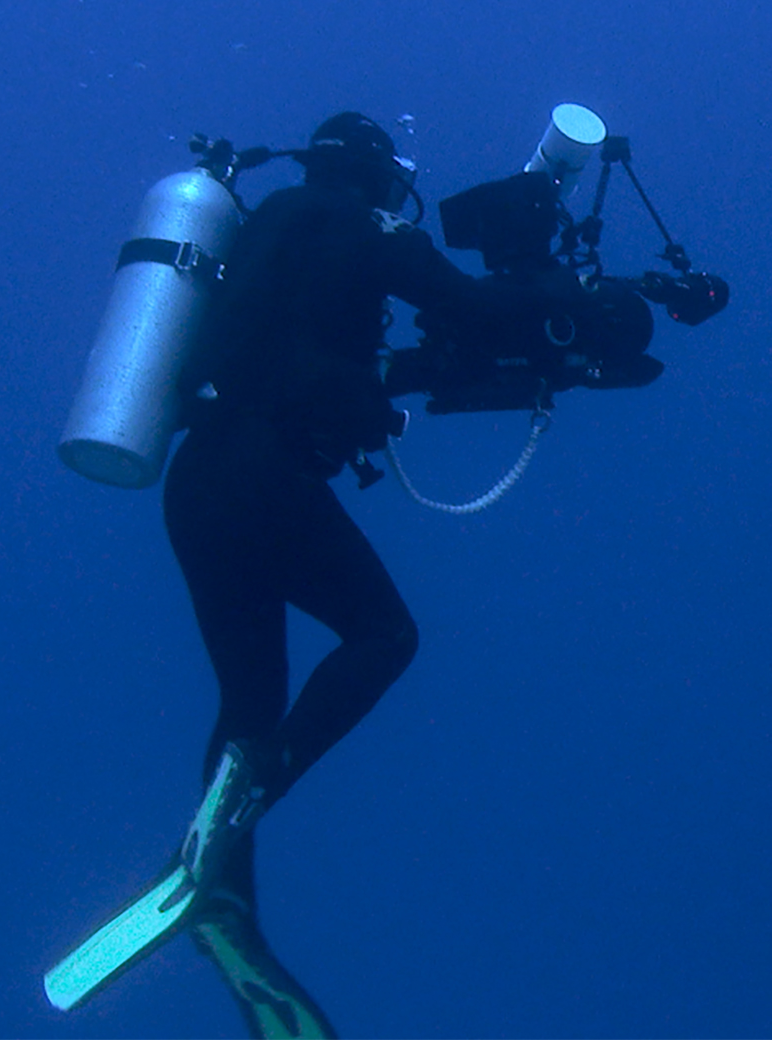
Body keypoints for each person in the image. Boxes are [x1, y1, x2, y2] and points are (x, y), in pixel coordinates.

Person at [161, 112, 531, 1036]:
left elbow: (309, 364)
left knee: (251, 693)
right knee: (385, 634)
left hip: (198, 482)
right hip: (265, 476)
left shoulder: (261, 231)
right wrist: (584, 302)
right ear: (373, 176)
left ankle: (223, 901)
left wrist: (401, 379)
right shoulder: (360, 226)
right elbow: (476, 307)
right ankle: (254, 790)